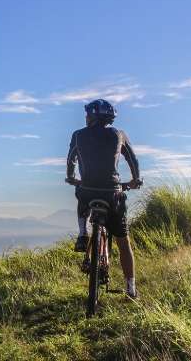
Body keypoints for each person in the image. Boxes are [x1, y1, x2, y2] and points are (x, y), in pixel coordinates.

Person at [65, 99, 142, 298]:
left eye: (87, 114)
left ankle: (83, 234)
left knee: (80, 193)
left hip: (88, 190)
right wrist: (135, 180)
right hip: (112, 193)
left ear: (92, 116)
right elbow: (133, 160)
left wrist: (72, 178)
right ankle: (131, 289)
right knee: (123, 242)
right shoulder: (119, 135)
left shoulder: (78, 135)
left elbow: (71, 159)